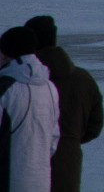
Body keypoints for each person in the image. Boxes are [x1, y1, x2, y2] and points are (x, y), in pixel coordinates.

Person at [23, 19, 99, 192]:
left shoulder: (21, 81)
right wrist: (69, 141)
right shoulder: (83, 79)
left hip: (27, 162)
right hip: (68, 163)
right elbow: (94, 127)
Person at [0, 27, 59, 192]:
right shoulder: (50, 87)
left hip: (8, 181)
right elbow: (53, 137)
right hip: (40, 181)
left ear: (5, 53)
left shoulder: (6, 88)